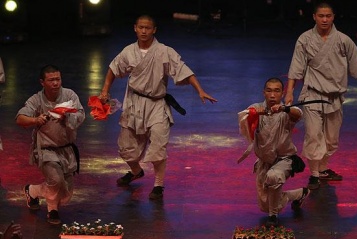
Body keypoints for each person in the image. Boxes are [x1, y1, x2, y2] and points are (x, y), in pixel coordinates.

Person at [99, 14, 217, 200]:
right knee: (126, 149)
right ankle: (136, 171)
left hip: (157, 105)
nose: (144, 31)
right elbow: (114, 69)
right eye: (141, 27)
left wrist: (200, 90)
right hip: (134, 103)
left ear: (154, 30)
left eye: (148, 28)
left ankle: (158, 185)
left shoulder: (164, 51)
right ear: (135, 29)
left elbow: (183, 70)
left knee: (158, 146)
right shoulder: (128, 51)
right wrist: (105, 90)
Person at [284, 2, 357, 190]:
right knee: (314, 135)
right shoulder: (305, 39)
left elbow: (355, 63)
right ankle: (314, 174)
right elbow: (297, 66)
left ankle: (322, 169)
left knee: (331, 139)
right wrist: (290, 91)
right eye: (321, 16)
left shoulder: (343, 40)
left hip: (335, 96)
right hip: (313, 94)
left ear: (333, 17)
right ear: (314, 17)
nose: (325, 19)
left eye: (328, 16)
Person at [16, 65, 85, 225]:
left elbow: (81, 115)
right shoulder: (36, 100)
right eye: (51, 80)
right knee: (55, 180)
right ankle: (52, 211)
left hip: (66, 149)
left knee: (65, 190)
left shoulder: (69, 95)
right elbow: (20, 118)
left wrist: (67, 118)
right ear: (42, 82)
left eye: (58, 79)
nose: (55, 83)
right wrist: (35, 120)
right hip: (46, 149)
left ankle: (32, 190)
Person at [238, 78, 309, 227]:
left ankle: (273, 217)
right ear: (264, 93)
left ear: (282, 94)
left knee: (274, 176)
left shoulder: (286, 112)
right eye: (269, 90)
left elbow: (298, 114)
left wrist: (285, 109)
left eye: (276, 91)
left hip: (284, 160)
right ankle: (299, 194)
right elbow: (243, 116)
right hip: (265, 161)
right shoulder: (256, 107)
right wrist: (254, 114)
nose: (272, 95)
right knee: (265, 204)